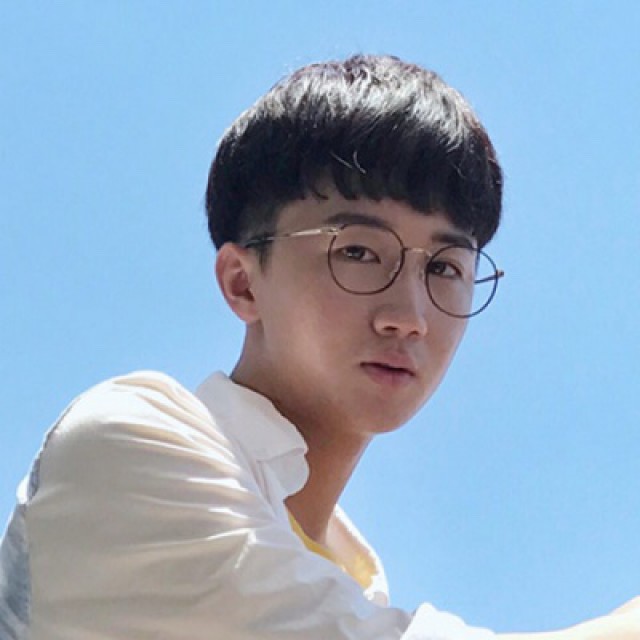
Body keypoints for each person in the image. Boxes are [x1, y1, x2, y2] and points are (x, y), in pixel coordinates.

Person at [0, 54, 638, 639]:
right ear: (242, 282)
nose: (409, 316)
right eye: (358, 252)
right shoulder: (129, 442)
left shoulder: (349, 581)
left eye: (445, 268)